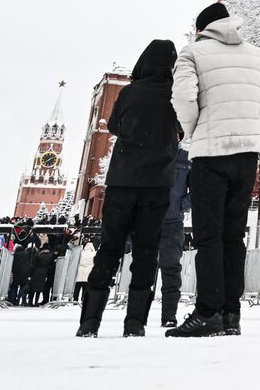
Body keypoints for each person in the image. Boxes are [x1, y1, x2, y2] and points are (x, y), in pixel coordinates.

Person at [168, 2, 260, 338]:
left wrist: (193, 130)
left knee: (209, 235)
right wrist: (257, 120)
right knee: (233, 235)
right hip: (247, 154)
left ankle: (207, 312)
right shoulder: (255, 53)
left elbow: (182, 96)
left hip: (211, 153)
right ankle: (231, 314)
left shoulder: (192, 53)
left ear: (202, 29)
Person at [78, 39, 182, 338]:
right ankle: (135, 322)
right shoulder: (172, 95)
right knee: (147, 252)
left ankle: (89, 322)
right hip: (157, 184)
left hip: (123, 181)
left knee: (109, 249)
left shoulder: (129, 92)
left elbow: (113, 127)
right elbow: (183, 128)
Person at [159, 142, 192, 328]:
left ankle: (169, 315)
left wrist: (181, 205)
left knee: (171, 269)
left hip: (172, 222)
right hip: (148, 220)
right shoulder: (150, 153)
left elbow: (196, 189)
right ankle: (136, 317)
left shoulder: (186, 158)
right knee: (142, 268)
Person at [9, 241, 36, 305]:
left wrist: (13, 271)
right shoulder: (27, 254)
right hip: (25, 273)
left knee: (14, 287)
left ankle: (13, 300)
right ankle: (23, 300)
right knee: (23, 287)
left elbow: (13, 264)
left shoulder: (15, 255)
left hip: (16, 273)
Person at [72, 237, 97, 306]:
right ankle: (84, 298)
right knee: (85, 287)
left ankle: (75, 299)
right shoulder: (94, 254)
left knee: (77, 287)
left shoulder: (81, 253)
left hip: (79, 272)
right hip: (88, 272)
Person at [30, 241, 54, 306]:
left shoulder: (38, 255)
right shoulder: (51, 256)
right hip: (45, 272)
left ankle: (30, 302)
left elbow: (34, 264)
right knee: (39, 288)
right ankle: (36, 302)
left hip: (37, 271)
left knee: (33, 288)